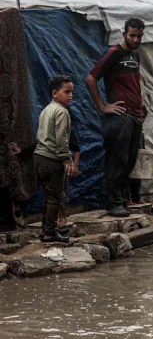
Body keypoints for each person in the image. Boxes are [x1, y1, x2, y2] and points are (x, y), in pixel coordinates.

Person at [86, 18, 146, 218]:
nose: (136, 39)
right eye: (132, 35)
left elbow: (132, 85)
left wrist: (140, 105)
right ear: (124, 34)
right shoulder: (113, 54)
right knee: (117, 161)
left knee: (129, 162)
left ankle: (123, 199)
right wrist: (103, 106)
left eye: (139, 36)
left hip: (135, 116)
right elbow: (91, 78)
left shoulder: (134, 55)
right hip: (120, 118)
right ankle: (113, 203)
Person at [32, 75, 77, 242]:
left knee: (49, 196)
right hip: (52, 159)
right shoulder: (61, 112)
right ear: (55, 93)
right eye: (66, 92)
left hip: (40, 157)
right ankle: (49, 233)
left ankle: (46, 229)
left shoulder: (47, 109)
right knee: (55, 198)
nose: (70, 95)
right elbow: (61, 139)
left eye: (72, 92)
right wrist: (68, 160)